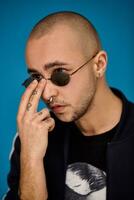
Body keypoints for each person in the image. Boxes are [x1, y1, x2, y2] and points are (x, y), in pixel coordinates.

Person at [4, 11, 134, 200]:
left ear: (99, 64)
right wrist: (31, 160)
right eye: (36, 78)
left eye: (60, 74)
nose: (47, 94)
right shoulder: (31, 137)